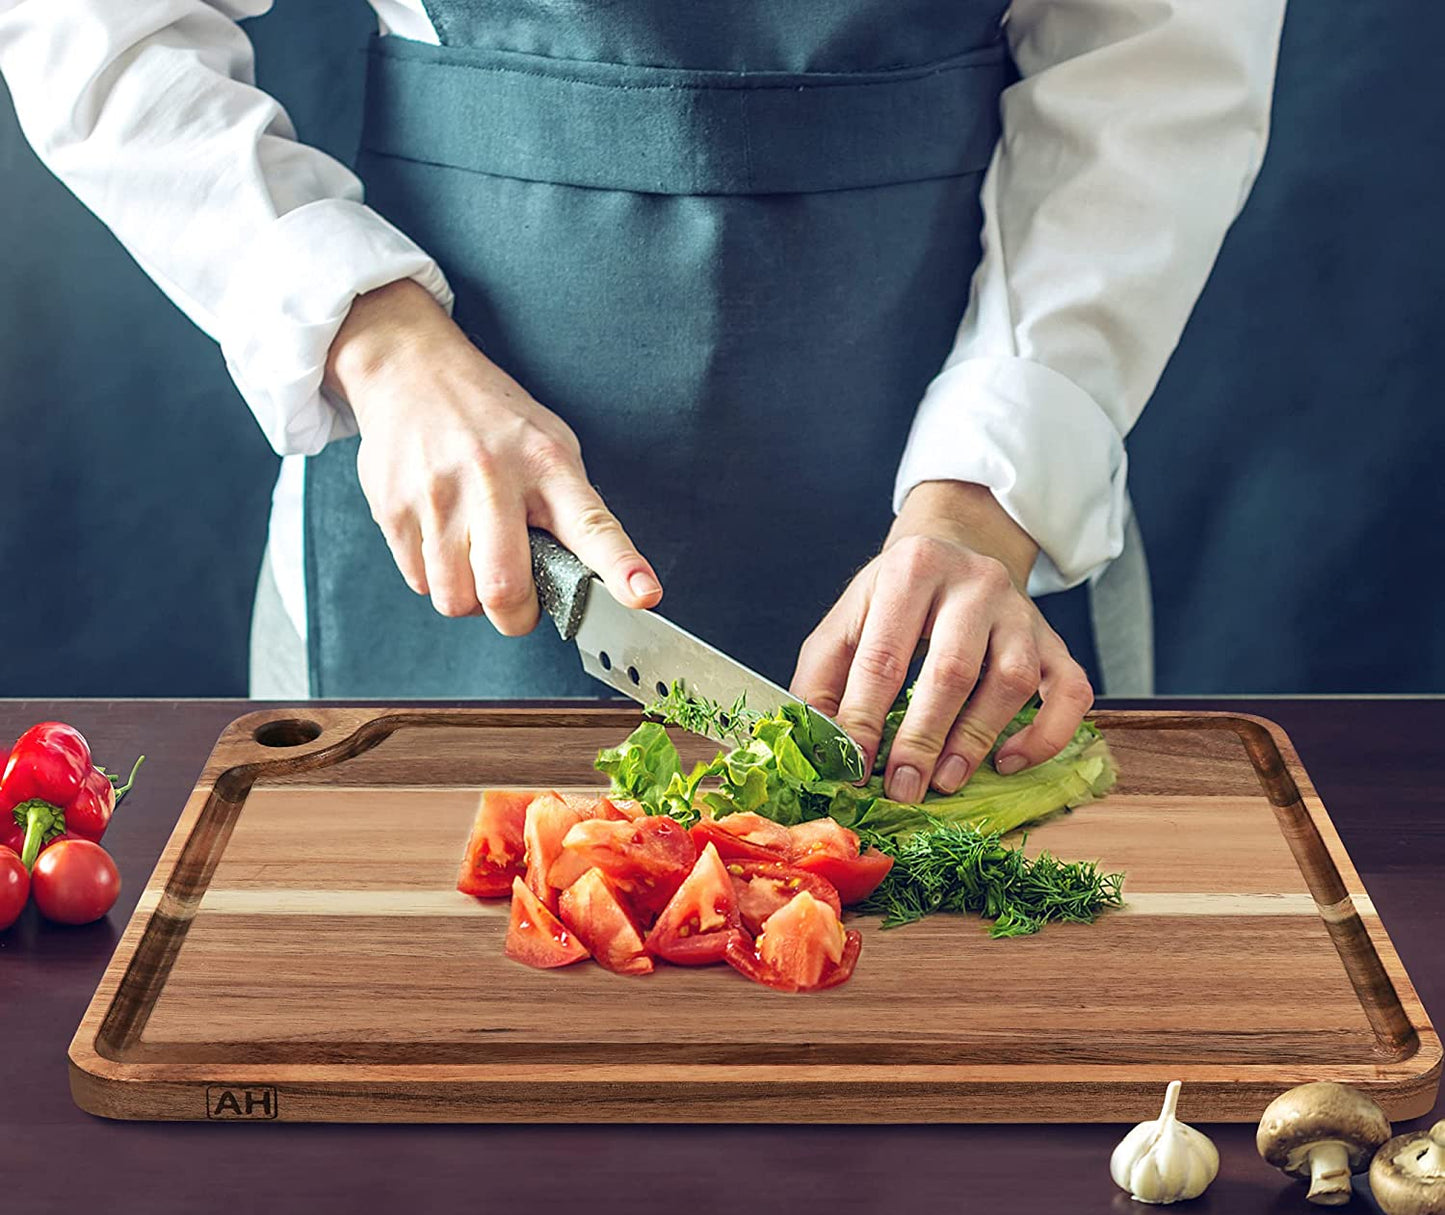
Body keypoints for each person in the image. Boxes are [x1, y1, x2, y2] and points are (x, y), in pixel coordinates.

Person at [0, 0, 1285, 804]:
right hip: (449, 501)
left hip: (971, 481)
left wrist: (989, 490)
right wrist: (369, 333)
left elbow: (1156, 67)